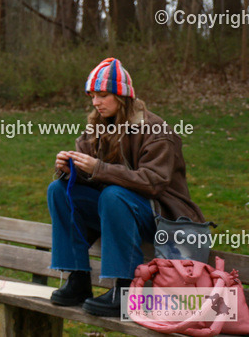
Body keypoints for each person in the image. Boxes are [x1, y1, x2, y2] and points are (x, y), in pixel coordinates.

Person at [47, 57, 205, 317]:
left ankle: (126, 291)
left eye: (102, 95)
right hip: (118, 212)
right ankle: (77, 281)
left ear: (122, 97)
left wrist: (99, 168)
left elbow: (153, 182)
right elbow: (94, 179)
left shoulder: (156, 130)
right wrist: (71, 170)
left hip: (163, 219)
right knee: (59, 190)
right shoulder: (96, 128)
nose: (96, 102)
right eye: (92, 97)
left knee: (114, 194)